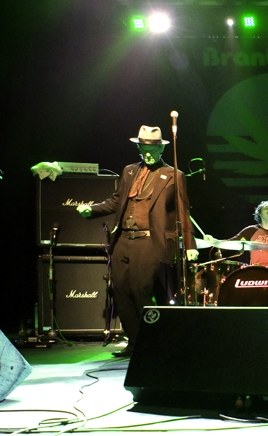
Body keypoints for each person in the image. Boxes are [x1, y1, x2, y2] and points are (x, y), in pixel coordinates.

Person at [77, 125, 198, 358]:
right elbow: (116, 201)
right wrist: (91, 210)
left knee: (140, 290)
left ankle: (152, 340)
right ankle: (134, 342)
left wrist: (190, 246)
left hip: (149, 241)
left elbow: (184, 212)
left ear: (161, 148)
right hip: (123, 239)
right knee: (121, 291)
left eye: (152, 147)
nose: (148, 151)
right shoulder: (129, 171)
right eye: (144, 146)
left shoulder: (174, 175)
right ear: (139, 147)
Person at [203, 200, 268, 269]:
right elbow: (232, 242)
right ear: (259, 213)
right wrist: (214, 241)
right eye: (266, 208)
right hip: (257, 270)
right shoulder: (251, 230)